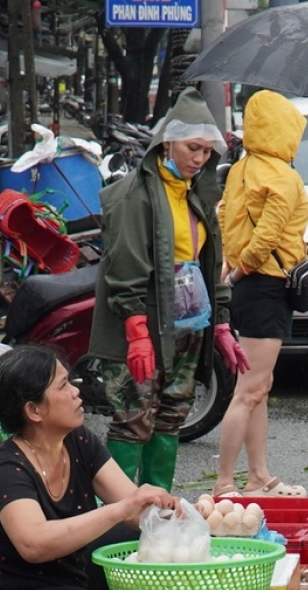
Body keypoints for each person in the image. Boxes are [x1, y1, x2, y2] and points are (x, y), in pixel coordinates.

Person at [0, 344, 180, 590]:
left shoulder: (77, 441)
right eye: (63, 386)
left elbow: (133, 508)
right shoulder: (7, 468)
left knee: (130, 539)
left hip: (63, 577)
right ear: (34, 410)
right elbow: (34, 544)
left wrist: (172, 515)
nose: (76, 392)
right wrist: (119, 510)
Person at [91, 89, 247, 491]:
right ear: (167, 143)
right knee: (132, 418)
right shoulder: (134, 196)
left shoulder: (196, 194)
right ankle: (115, 519)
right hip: (143, 326)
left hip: (189, 326)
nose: (200, 158)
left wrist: (224, 326)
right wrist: (137, 333)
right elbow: (124, 270)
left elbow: (211, 261)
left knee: (172, 414)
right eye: (192, 148)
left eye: (207, 151)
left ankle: (157, 511)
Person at [216, 90, 308, 494]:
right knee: (250, 390)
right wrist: (237, 274)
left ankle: (259, 475)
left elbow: (224, 215)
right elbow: (268, 235)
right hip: (265, 285)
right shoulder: (283, 176)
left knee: (258, 387)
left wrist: (229, 267)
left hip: (247, 286)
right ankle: (224, 483)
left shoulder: (241, 169)